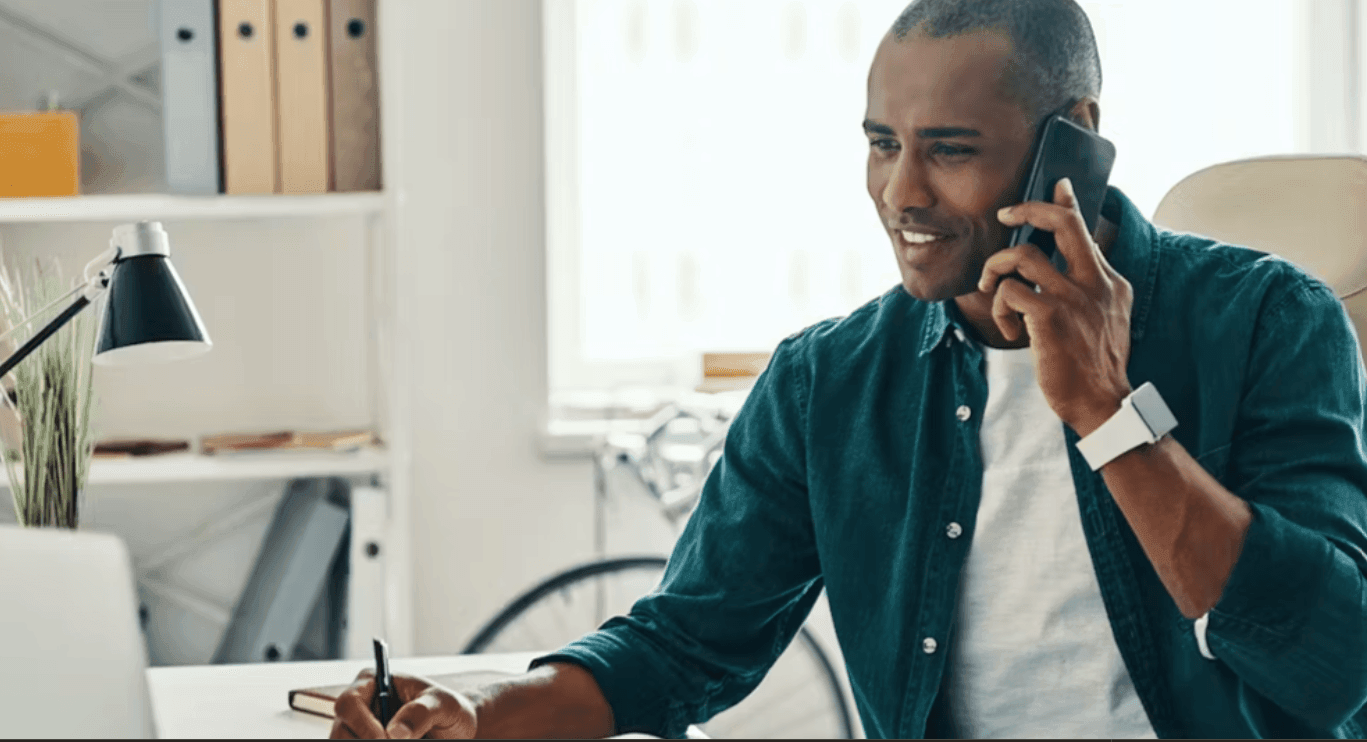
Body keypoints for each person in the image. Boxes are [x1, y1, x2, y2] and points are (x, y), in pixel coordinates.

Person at [332, 0, 1367, 738]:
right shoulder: (829, 382)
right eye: (881, 143)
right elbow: (684, 644)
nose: (898, 193)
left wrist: (1104, 410)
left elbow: (1333, 665)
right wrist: (479, 712)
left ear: (1073, 141)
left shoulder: (1271, 320)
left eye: (948, 149)